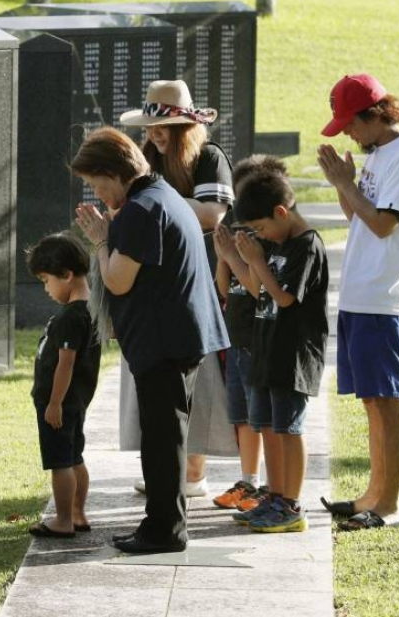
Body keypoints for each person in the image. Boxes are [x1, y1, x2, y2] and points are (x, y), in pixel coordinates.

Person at [73, 127, 228, 552]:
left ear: (114, 171)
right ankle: (162, 523)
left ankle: (165, 530)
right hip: (179, 338)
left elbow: (119, 281)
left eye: (95, 182)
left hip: (165, 343)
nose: (96, 192)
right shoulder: (160, 194)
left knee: (162, 439)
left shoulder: (143, 208)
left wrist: (102, 240)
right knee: (166, 435)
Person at [317, 74, 399, 531]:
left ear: (377, 113)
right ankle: (373, 494)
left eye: (350, 123)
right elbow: (359, 217)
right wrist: (343, 185)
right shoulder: (381, 153)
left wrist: (348, 183)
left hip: (386, 296)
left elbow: (384, 224)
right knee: (370, 399)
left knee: (387, 398)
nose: (347, 132)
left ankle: (390, 505)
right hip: (363, 295)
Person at [119, 79, 237, 500]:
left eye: (161, 125)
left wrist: (157, 196)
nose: (153, 133)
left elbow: (210, 216)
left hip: (200, 286)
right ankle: (163, 470)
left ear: (185, 126)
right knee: (154, 390)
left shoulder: (209, 158)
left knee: (199, 388)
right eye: (150, 125)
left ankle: (192, 473)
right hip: (153, 289)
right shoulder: (146, 159)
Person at [231, 167, 328, 533]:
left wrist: (256, 259)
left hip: (294, 355)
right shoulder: (277, 241)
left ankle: (292, 505)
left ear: (281, 213)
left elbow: (286, 298)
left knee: (289, 429)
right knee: (269, 425)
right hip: (267, 349)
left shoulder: (307, 245)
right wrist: (242, 256)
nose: (261, 235)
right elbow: (259, 291)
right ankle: (274, 495)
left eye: (261, 228)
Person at [211, 156, 290, 512]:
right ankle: (249, 479)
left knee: (263, 416)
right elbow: (225, 289)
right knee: (242, 415)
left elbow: (260, 289)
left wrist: (235, 255)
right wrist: (223, 256)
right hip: (237, 333)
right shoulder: (238, 227)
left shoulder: (269, 235)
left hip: (261, 337)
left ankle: (271, 488)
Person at [25, 233, 102, 539]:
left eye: (46, 280)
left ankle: (62, 519)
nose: (45, 288)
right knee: (74, 458)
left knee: (60, 463)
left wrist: (54, 402)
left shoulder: (71, 317)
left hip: (60, 404)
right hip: (75, 403)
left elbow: (65, 363)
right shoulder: (89, 310)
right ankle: (78, 514)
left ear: (67, 275)